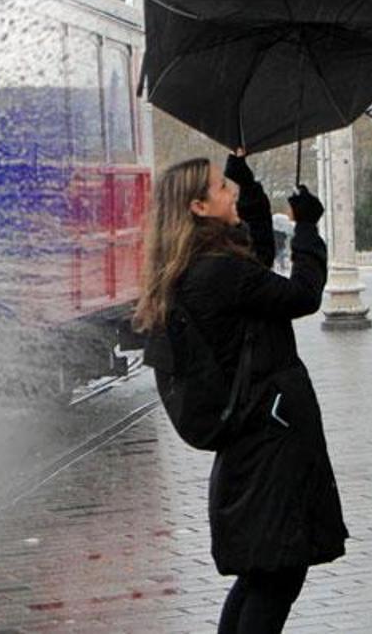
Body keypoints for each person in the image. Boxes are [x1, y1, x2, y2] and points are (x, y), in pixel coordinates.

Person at [135, 153, 347, 633]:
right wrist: (310, 229)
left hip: (252, 433)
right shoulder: (221, 274)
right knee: (277, 573)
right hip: (270, 435)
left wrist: (248, 186)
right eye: (222, 188)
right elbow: (303, 295)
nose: (228, 192)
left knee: (262, 571)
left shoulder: (195, 269)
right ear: (199, 207)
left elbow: (257, 259)